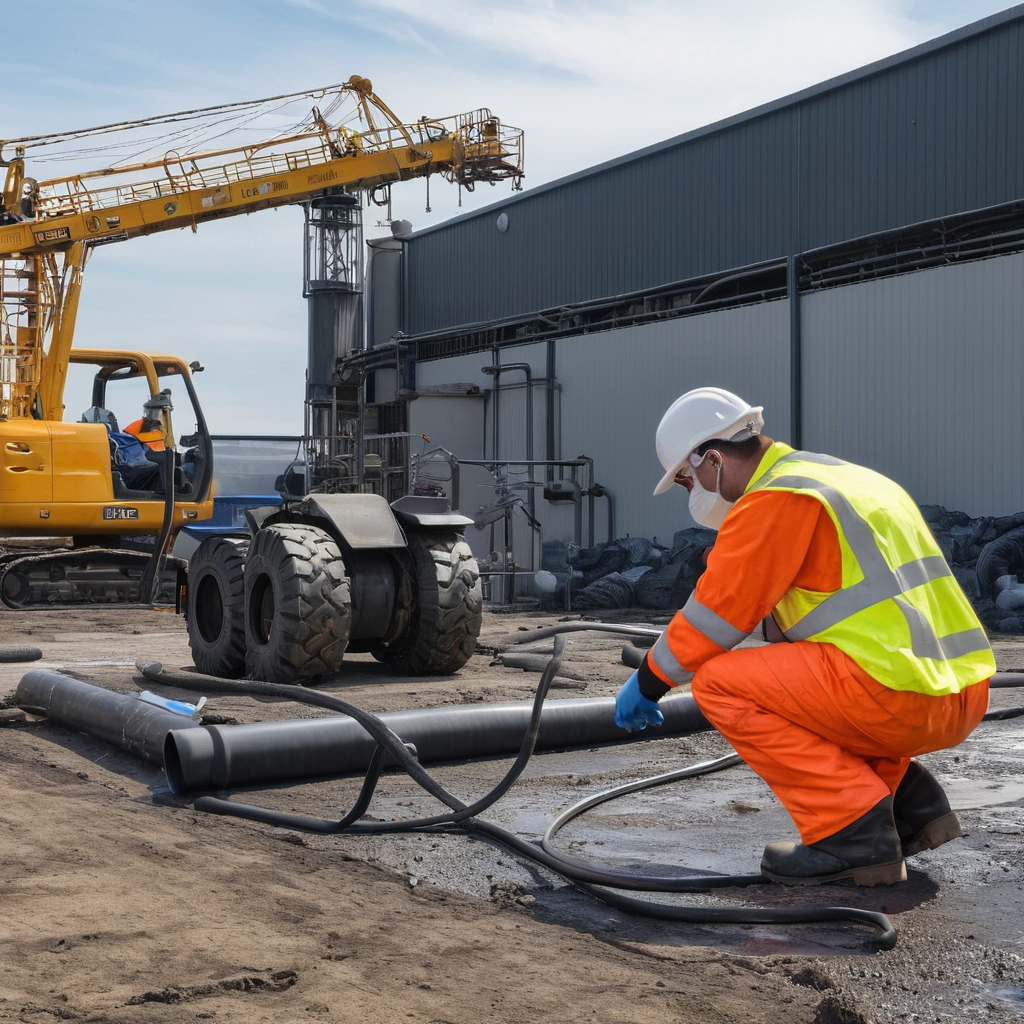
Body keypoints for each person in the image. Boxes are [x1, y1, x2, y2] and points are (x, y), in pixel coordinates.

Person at [615, 386, 993, 887]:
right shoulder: (851, 481)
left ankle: (852, 833)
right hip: (960, 693)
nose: (693, 492)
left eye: (687, 480)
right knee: (800, 681)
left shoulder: (776, 498)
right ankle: (910, 805)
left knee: (718, 684)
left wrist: (648, 681)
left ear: (711, 460)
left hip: (897, 698)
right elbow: (804, 621)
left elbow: (716, 616)